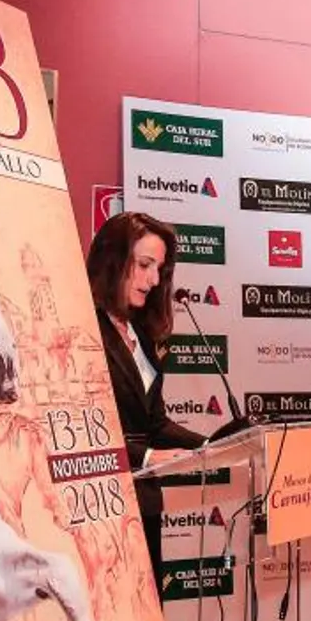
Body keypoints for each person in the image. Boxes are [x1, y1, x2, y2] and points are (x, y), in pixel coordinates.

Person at [88, 212, 206, 574]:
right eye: (144, 264)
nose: (155, 280)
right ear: (113, 260)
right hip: (101, 508)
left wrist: (209, 445)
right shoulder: (83, 327)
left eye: (160, 269)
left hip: (147, 502)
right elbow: (85, 431)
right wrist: (148, 457)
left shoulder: (142, 334)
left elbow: (155, 421)